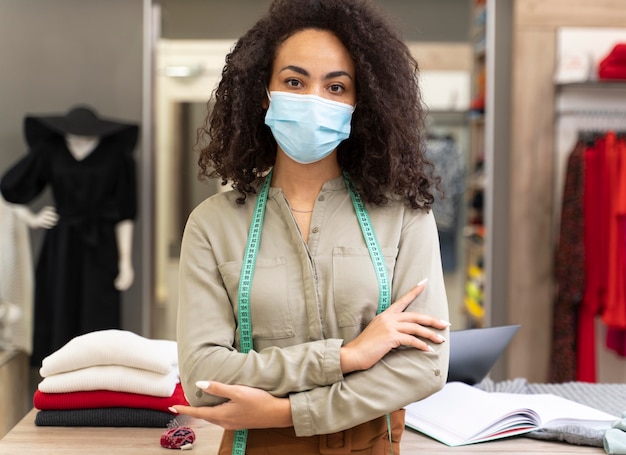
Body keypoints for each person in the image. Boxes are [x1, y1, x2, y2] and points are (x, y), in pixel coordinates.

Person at [171, 0, 450, 453]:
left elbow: (424, 368)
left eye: (336, 87)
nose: (313, 100)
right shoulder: (213, 224)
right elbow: (204, 376)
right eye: (294, 81)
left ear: (362, 103)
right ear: (265, 92)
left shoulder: (405, 216)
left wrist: (287, 413)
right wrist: (346, 357)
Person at [0, 106, 138, 367]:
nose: (79, 141)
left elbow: (125, 212)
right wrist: (32, 218)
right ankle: (58, 373)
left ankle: (100, 373)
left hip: (101, 241)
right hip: (61, 243)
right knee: (59, 304)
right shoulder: (51, 150)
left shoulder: (117, 156)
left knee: (98, 309)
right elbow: (9, 187)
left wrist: (125, 261)